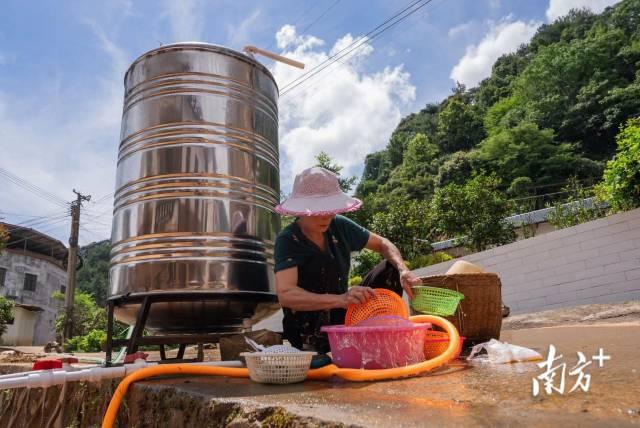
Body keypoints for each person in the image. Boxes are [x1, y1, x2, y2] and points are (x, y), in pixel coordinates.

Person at [274, 167, 421, 353]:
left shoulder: (339, 225)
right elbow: (286, 295)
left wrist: (403, 270)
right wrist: (340, 299)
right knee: (314, 346)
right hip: (307, 328)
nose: (327, 216)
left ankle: (378, 339)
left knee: (390, 268)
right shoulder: (288, 239)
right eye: (319, 210)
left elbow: (383, 243)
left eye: (330, 208)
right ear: (301, 210)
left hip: (343, 313)